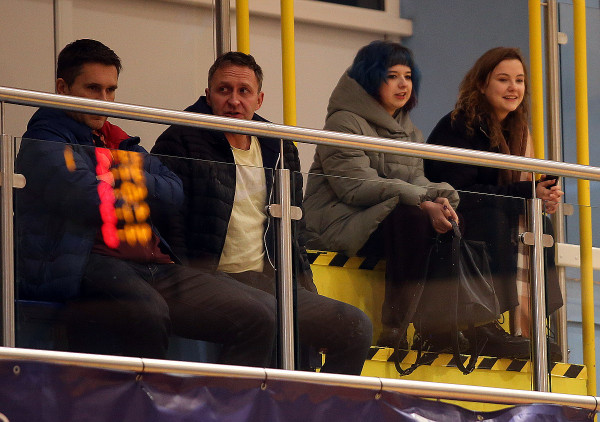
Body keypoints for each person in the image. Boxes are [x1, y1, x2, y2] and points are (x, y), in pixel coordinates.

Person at [16, 39, 278, 367]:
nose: (104, 100)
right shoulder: (44, 138)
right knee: (148, 312)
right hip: (87, 264)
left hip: (152, 264)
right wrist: (135, 185)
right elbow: (86, 197)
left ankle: (225, 400)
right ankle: (149, 397)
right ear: (62, 88)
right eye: (93, 89)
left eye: (111, 90)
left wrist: (112, 177)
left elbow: (173, 191)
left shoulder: (116, 137)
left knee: (262, 314)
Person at [151, 51, 373, 375]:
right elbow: (170, 228)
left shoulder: (279, 146)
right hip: (211, 279)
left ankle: (317, 403)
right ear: (208, 95)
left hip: (272, 282)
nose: (234, 100)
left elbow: (295, 233)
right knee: (266, 314)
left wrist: (306, 289)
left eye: (244, 91)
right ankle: (237, 401)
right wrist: (193, 278)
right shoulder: (180, 139)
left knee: (355, 326)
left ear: (259, 99)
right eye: (224, 90)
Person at [302, 40, 462, 352]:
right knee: (411, 218)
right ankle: (396, 327)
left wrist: (441, 198)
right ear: (370, 77)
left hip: (376, 223)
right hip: (336, 223)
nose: (403, 84)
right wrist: (421, 201)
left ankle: (438, 329)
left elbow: (416, 180)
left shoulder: (410, 131)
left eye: (408, 76)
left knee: (446, 221)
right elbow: (355, 187)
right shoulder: (342, 122)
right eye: (392, 76)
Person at [425, 47, 564, 359]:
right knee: (492, 215)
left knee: (541, 224)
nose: (513, 87)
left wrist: (542, 197)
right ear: (481, 84)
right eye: (503, 79)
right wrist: (528, 192)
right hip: (449, 215)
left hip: (487, 211)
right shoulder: (459, 125)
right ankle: (484, 324)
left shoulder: (517, 131)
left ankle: (532, 325)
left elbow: (514, 190)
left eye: (519, 80)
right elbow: (461, 193)